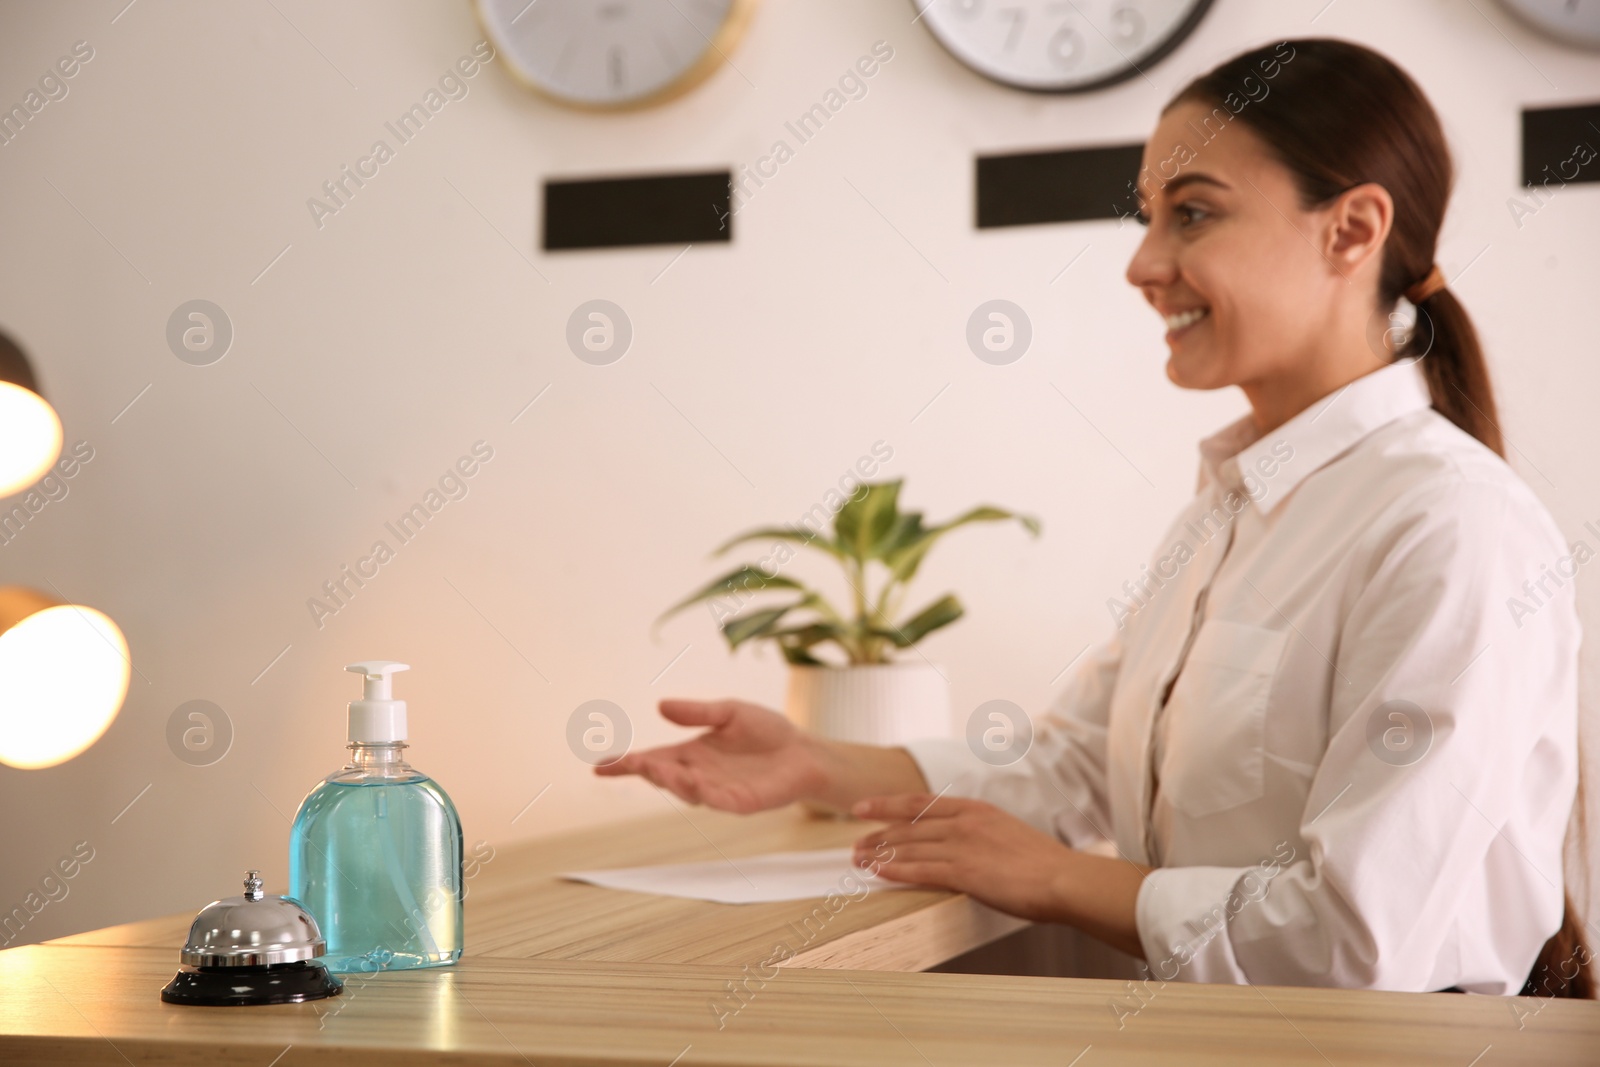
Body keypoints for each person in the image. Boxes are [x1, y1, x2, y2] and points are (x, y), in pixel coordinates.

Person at [598, 38, 1592, 997]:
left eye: (1193, 215)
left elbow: (1359, 937)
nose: (1143, 262)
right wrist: (818, 759)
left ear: (1350, 229)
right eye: (1147, 217)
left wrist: (1060, 878)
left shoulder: (1451, 529)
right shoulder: (1229, 513)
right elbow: (1076, 759)